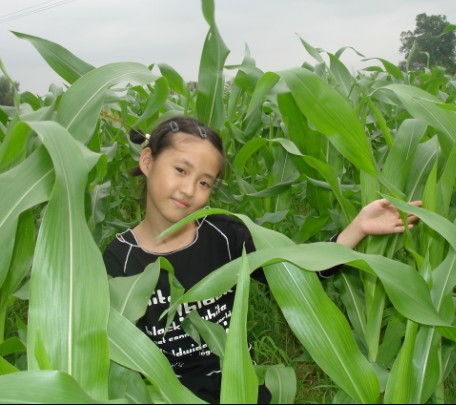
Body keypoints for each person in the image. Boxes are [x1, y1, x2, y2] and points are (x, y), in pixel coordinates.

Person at [102, 115, 421, 404]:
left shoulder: (224, 234)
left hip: (240, 385)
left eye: (204, 182)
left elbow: (299, 275)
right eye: (181, 170)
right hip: (165, 395)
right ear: (147, 161)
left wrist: (357, 228)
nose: (189, 189)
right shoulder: (119, 259)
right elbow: (112, 350)